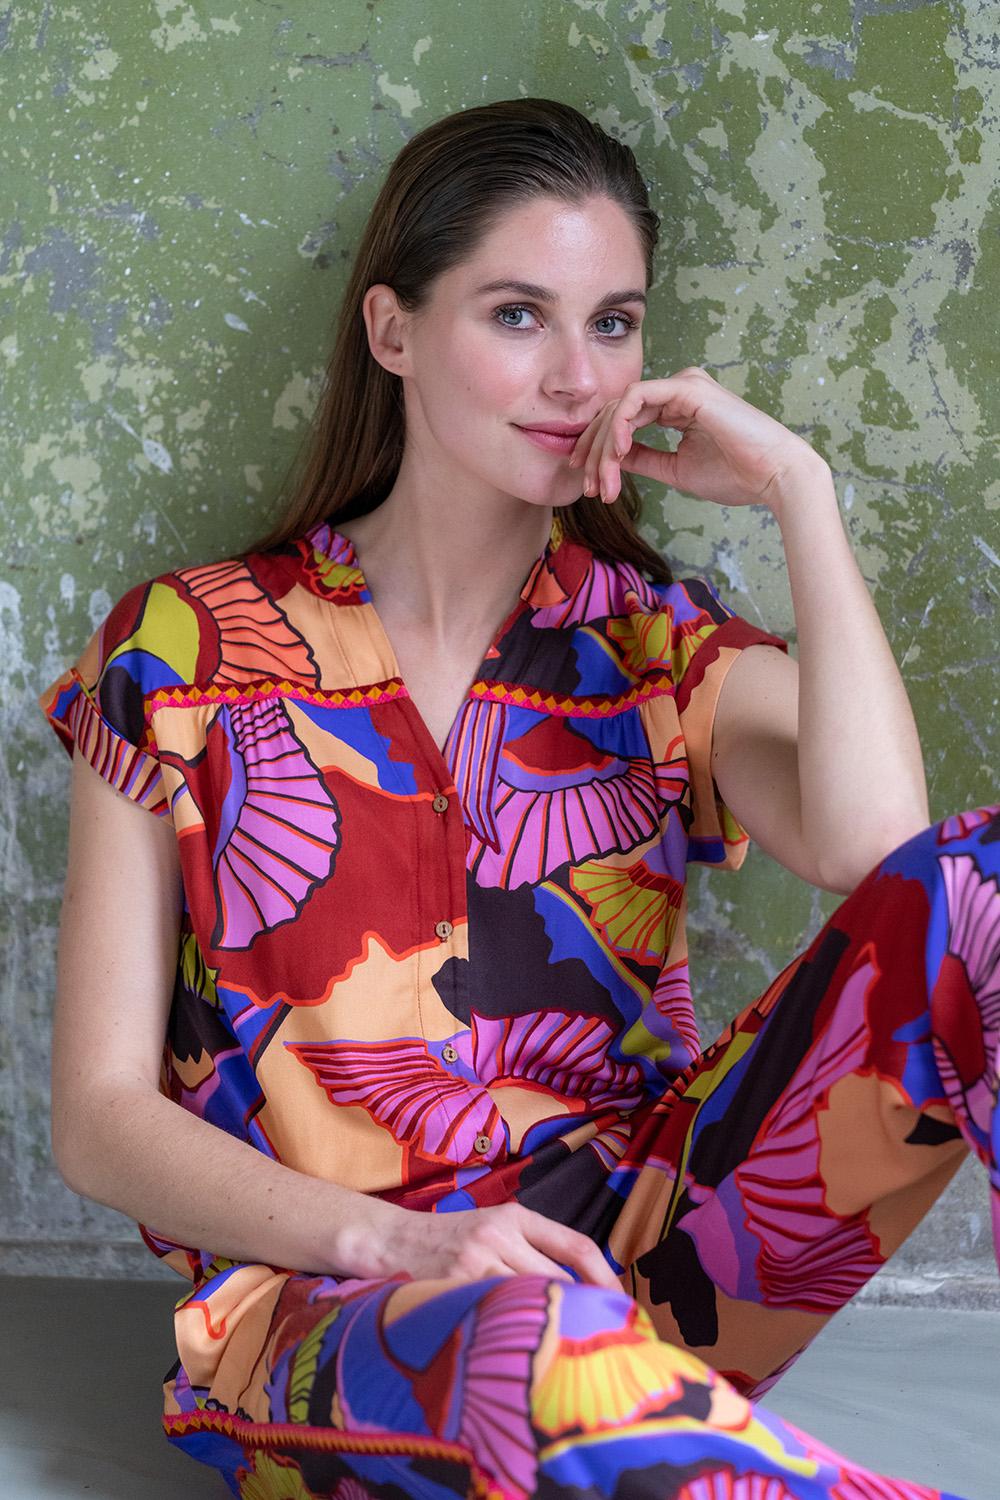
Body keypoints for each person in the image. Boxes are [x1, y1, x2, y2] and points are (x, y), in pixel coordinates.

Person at [41, 96, 997, 1500]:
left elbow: (888, 857)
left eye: (613, 323)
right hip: (344, 1308)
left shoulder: (655, 640)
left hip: (639, 1264)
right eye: (516, 315)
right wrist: (406, 1244)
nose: (575, 376)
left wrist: (802, 493)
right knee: (534, 1351)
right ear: (393, 332)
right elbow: (98, 1115)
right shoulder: (183, 648)